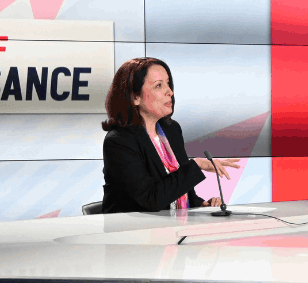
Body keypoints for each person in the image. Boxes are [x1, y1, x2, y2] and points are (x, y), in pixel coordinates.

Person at [100, 57, 241, 213]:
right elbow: (150, 199)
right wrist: (197, 165)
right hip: (131, 233)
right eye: (159, 85)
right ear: (135, 97)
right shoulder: (119, 142)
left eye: (168, 84)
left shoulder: (171, 130)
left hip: (170, 230)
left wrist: (201, 205)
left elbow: (179, 192)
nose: (170, 92)